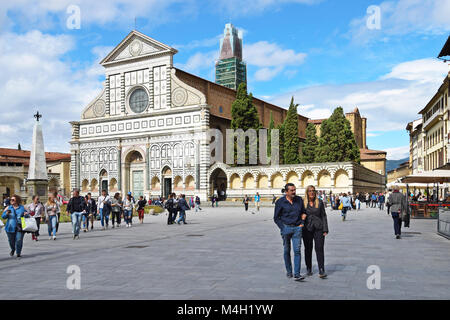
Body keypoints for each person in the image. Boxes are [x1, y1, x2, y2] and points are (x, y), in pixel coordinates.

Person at [273, 183, 307, 281]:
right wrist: (282, 228)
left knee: (297, 251)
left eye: (294, 190)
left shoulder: (299, 200)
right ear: (286, 191)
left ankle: (297, 274)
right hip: (286, 228)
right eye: (292, 190)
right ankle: (289, 271)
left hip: (297, 228)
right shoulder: (280, 202)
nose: (294, 192)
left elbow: (304, 212)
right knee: (287, 250)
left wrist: (302, 223)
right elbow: (276, 217)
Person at [303, 185, 328, 278]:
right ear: (307, 192)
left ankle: (321, 269)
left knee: (319, 249)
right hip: (307, 229)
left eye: (313, 191)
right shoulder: (303, 203)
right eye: (310, 191)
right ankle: (308, 268)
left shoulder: (320, 202)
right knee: (308, 249)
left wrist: (325, 229)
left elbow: (323, 216)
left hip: (319, 229)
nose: (312, 192)